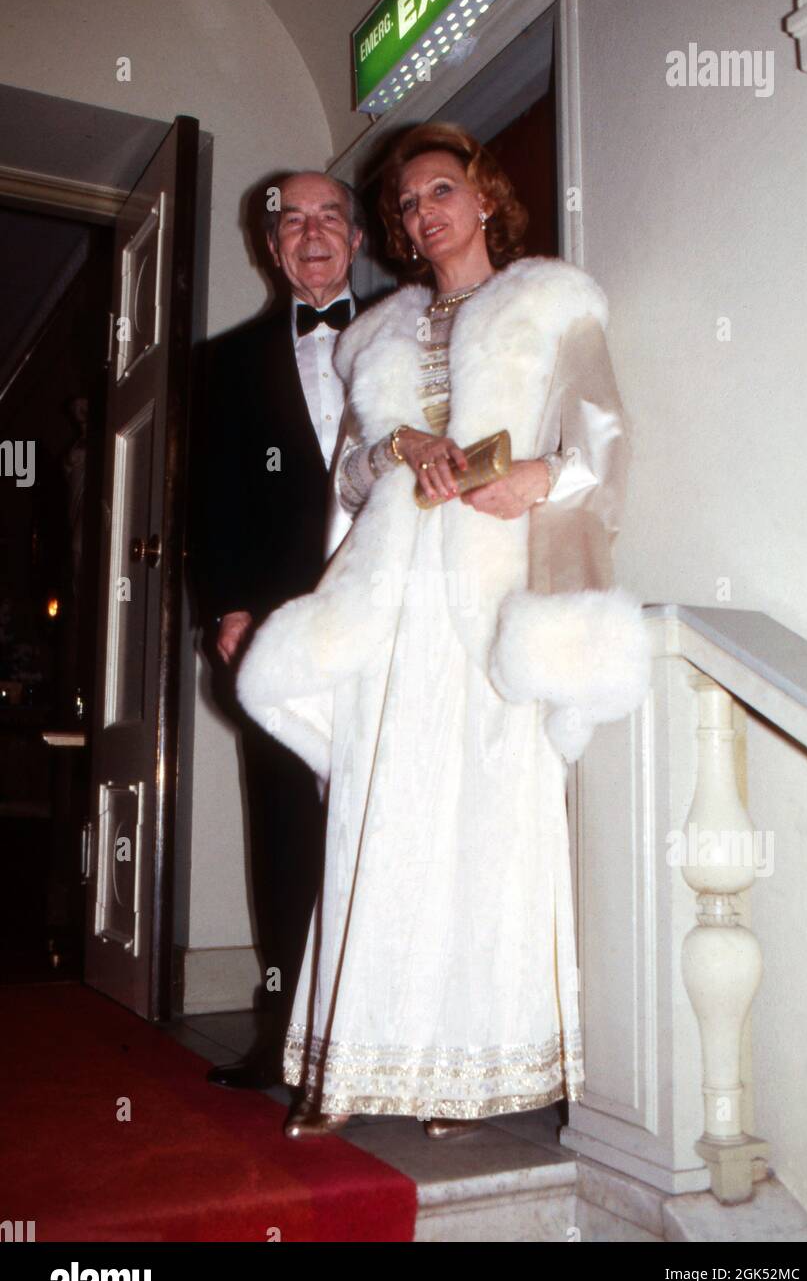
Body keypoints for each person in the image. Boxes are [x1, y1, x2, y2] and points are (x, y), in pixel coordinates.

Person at [236, 123, 650, 1136]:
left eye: (440, 190)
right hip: (392, 596)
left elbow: (602, 429)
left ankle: (467, 1076)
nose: (423, 212)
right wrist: (396, 446)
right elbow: (348, 472)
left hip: (490, 587)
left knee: (484, 827)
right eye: (407, 203)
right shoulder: (375, 331)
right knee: (380, 818)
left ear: (482, 196)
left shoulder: (549, 302)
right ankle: (352, 1069)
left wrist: (535, 476)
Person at [192, 171, 364, 1089]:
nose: (310, 234)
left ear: (357, 238)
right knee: (287, 827)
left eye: (328, 216)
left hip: (387, 622)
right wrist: (225, 605)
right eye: (291, 220)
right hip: (278, 634)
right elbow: (207, 501)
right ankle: (283, 1033)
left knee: (385, 819)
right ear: (270, 246)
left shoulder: (409, 333)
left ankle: (384, 1035)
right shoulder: (223, 363)